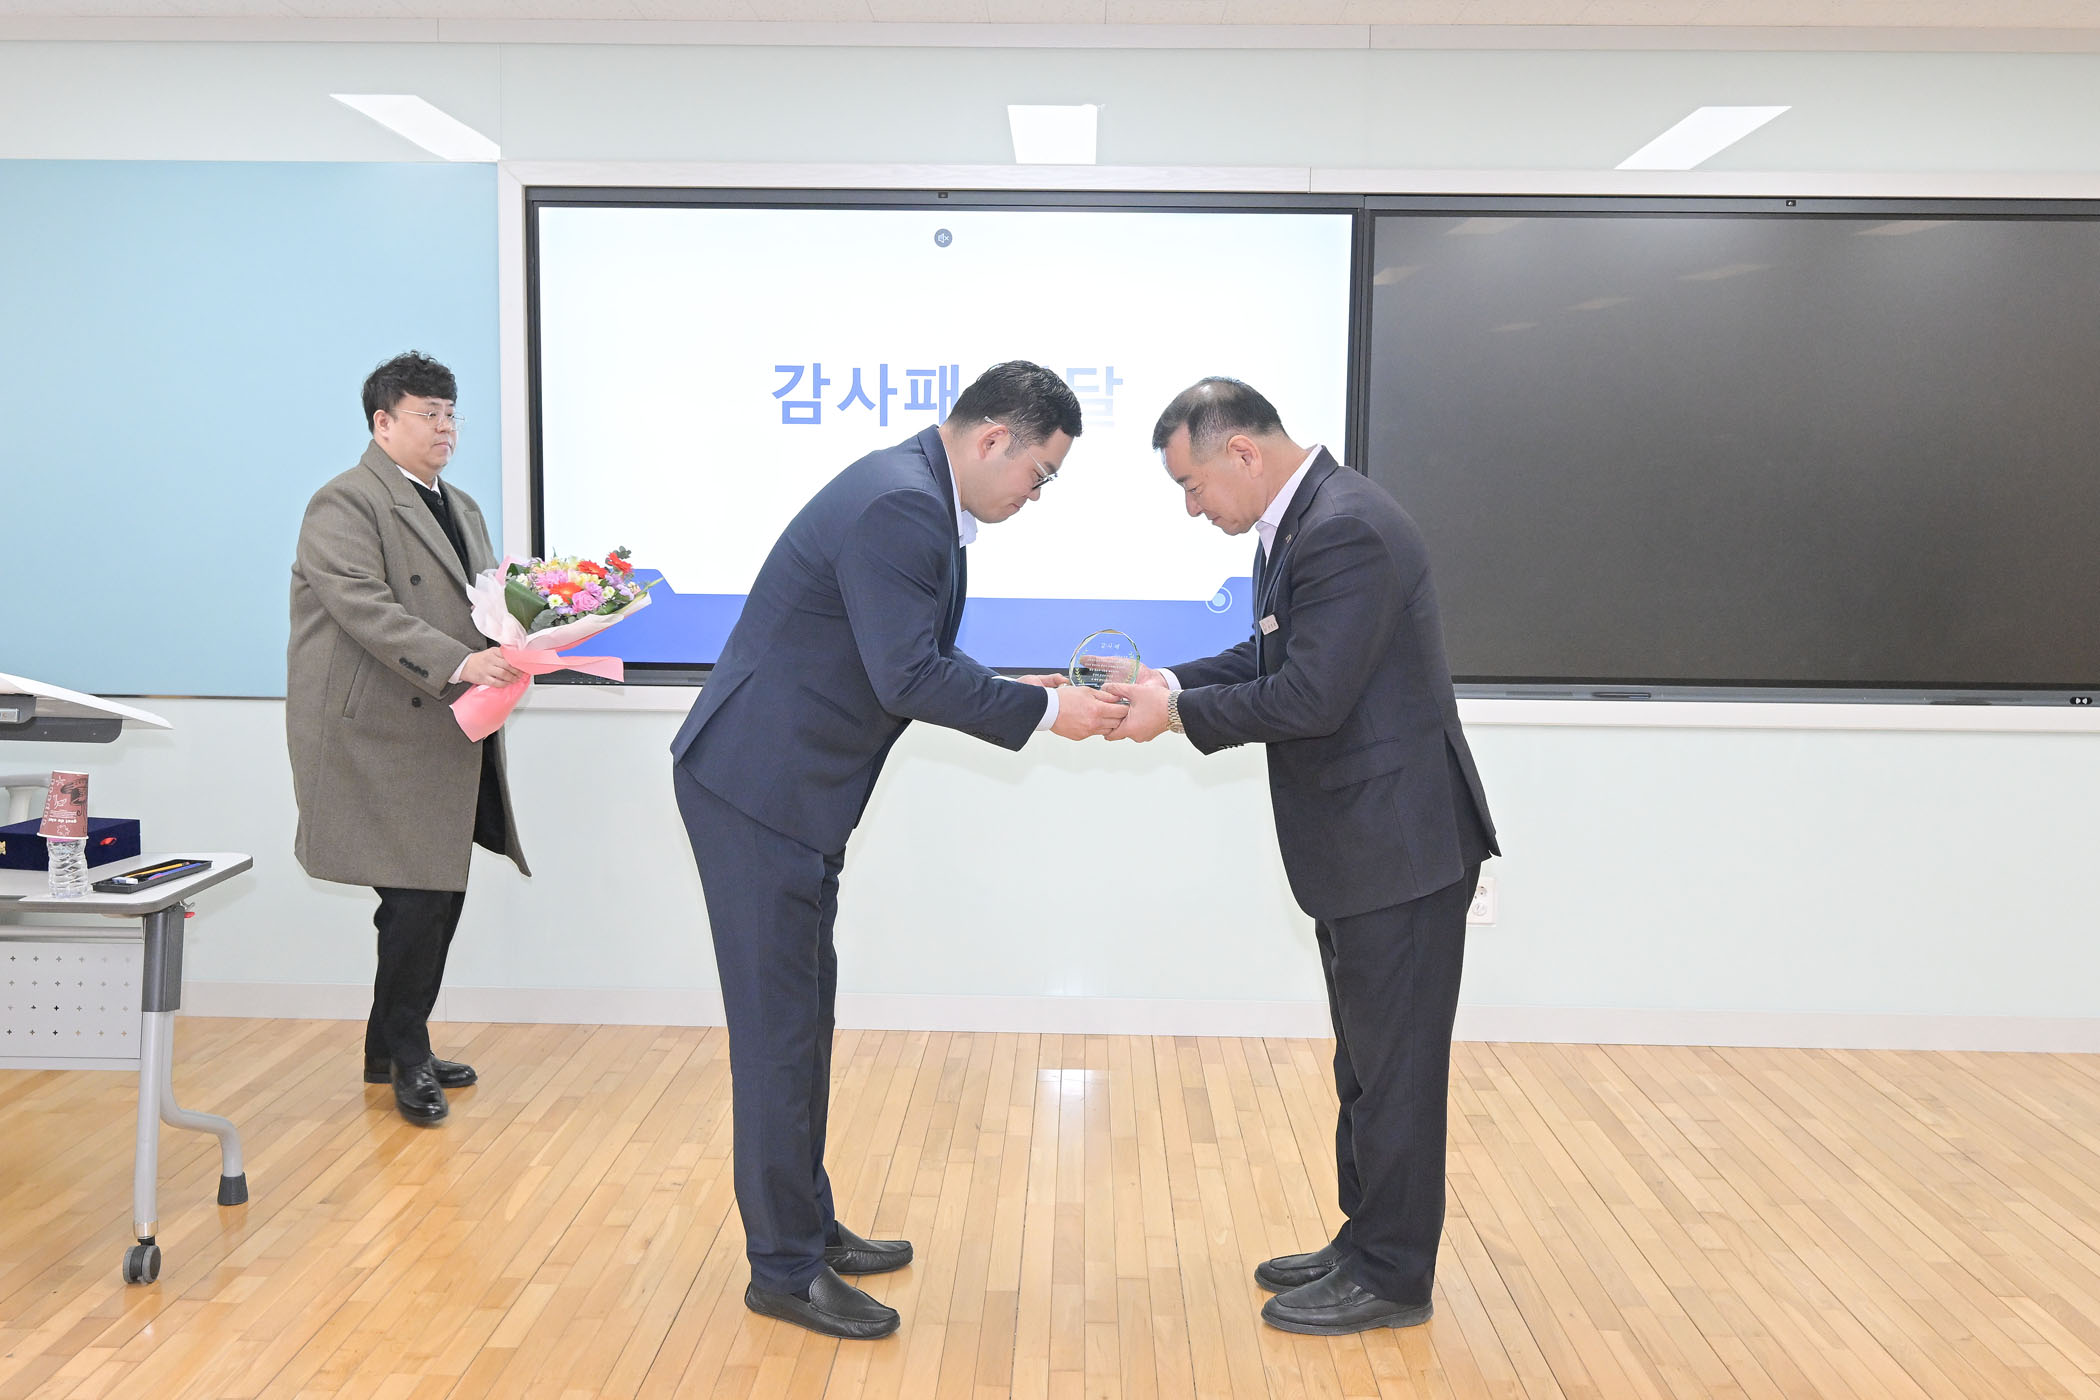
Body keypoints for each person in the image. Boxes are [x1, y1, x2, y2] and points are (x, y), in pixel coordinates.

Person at [669, 361, 1127, 1340]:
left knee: (804, 1018)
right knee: (779, 1033)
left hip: (788, 790)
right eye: (1041, 473)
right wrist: (1050, 714)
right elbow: (908, 675)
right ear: (994, 438)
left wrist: (1023, 688)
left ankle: (805, 1224)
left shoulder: (915, 490)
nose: (1037, 495)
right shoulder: (903, 505)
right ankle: (782, 1269)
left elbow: (905, 650)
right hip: (758, 789)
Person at [1104, 377, 1497, 1335]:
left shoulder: (1346, 528)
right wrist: (1163, 680)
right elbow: (1271, 659)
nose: (1193, 509)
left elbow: (1310, 697)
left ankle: (1393, 1275)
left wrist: (1176, 715)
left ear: (1242, 452)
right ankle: (1364, 1242)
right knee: (1365, 1064)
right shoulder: (1304, 522)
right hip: (1363, 846)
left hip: (1399, 846)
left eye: (1193, 485)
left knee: (1396, 1071)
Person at [287, 351, 528, 1127]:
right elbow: (364, 606)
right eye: (428, 414)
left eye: (450, 414)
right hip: (377, 735)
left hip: (444, 727)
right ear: (383, 422)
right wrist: (463, 661)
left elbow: (488, 602)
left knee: (433, 894)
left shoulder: (462, 506)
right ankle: (407, 1055)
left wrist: (530, 635)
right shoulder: (345, 501)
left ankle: (385, 1049)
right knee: (419, 899)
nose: (445, 428)